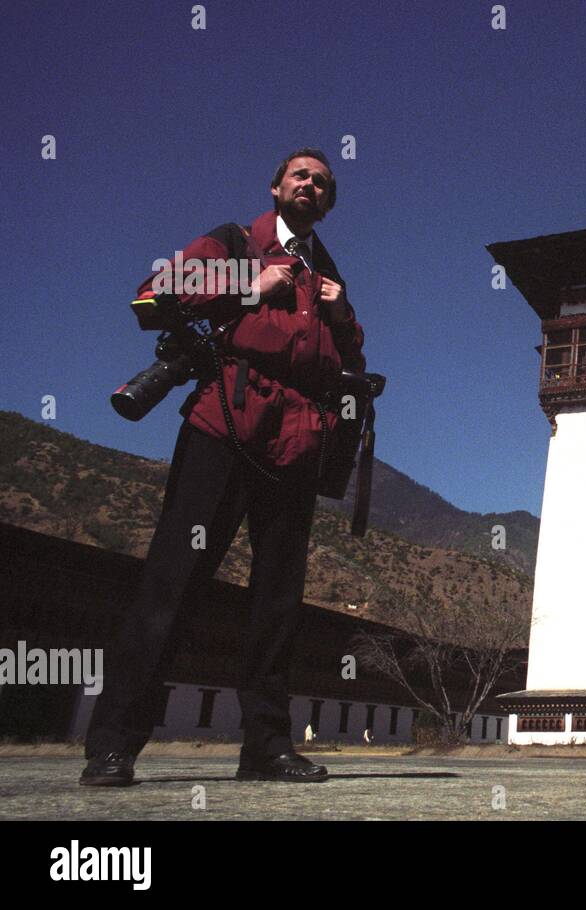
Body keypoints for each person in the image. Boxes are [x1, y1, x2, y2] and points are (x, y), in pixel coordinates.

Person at [80, 148, 365, 786]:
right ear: (276, 187)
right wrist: (247, 285)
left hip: (297, 441)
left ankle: (265, 747)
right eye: (301, 175)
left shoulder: (328, 274)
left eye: (322, 182)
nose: (311, 185)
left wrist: (342, 313)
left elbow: (349, 354)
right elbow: (152, 296)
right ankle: (115, 742)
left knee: (278, 600)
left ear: (328, 202)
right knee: (174, 579)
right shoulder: (235, 242)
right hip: (225, 422)